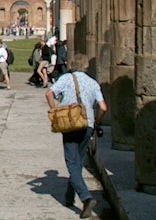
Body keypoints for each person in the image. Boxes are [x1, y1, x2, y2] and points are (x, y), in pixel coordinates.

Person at [45, 71, 108, 219]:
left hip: (71, 123)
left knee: (72, 162)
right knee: (78, 162)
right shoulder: (93, 82)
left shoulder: (66, 79)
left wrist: (55, 111)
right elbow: (103, 107)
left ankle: (86, 198)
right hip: (88, 125)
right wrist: (97, 121)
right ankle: (69, 196)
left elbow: (49, 94)